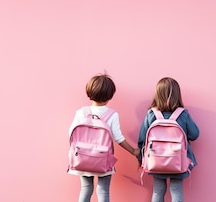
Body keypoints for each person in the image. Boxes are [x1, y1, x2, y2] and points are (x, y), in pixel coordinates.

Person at [69, 73, 141, 202]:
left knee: (85, 189)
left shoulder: (81, 112)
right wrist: (134, 151)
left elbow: (71, 134)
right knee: (103, 191)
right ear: (110, 96)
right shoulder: (112, 115)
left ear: (89, 91)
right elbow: (118, 138)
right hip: (103, 159)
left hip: (83, 158)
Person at [138, 77, 200, 202]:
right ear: (177, 95)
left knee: (158, 191)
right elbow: (195, 134)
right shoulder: (183, 114)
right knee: (176, 191)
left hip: (156, 160)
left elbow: (142, 139)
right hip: (178, 160)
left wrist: (140, 158)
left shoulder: (151, 114)